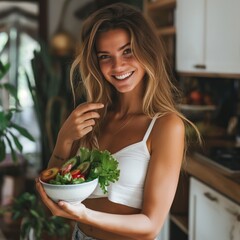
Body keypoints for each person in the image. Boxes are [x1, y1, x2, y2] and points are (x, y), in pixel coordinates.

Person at [36, 3, 200, 240]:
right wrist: (63, 140)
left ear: (147, 52)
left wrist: (84, 215)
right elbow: (51, 199)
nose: (117, 66)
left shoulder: (166, 126)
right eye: (105, 56)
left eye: (127, 51)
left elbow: (151, 226)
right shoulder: (90, 117)